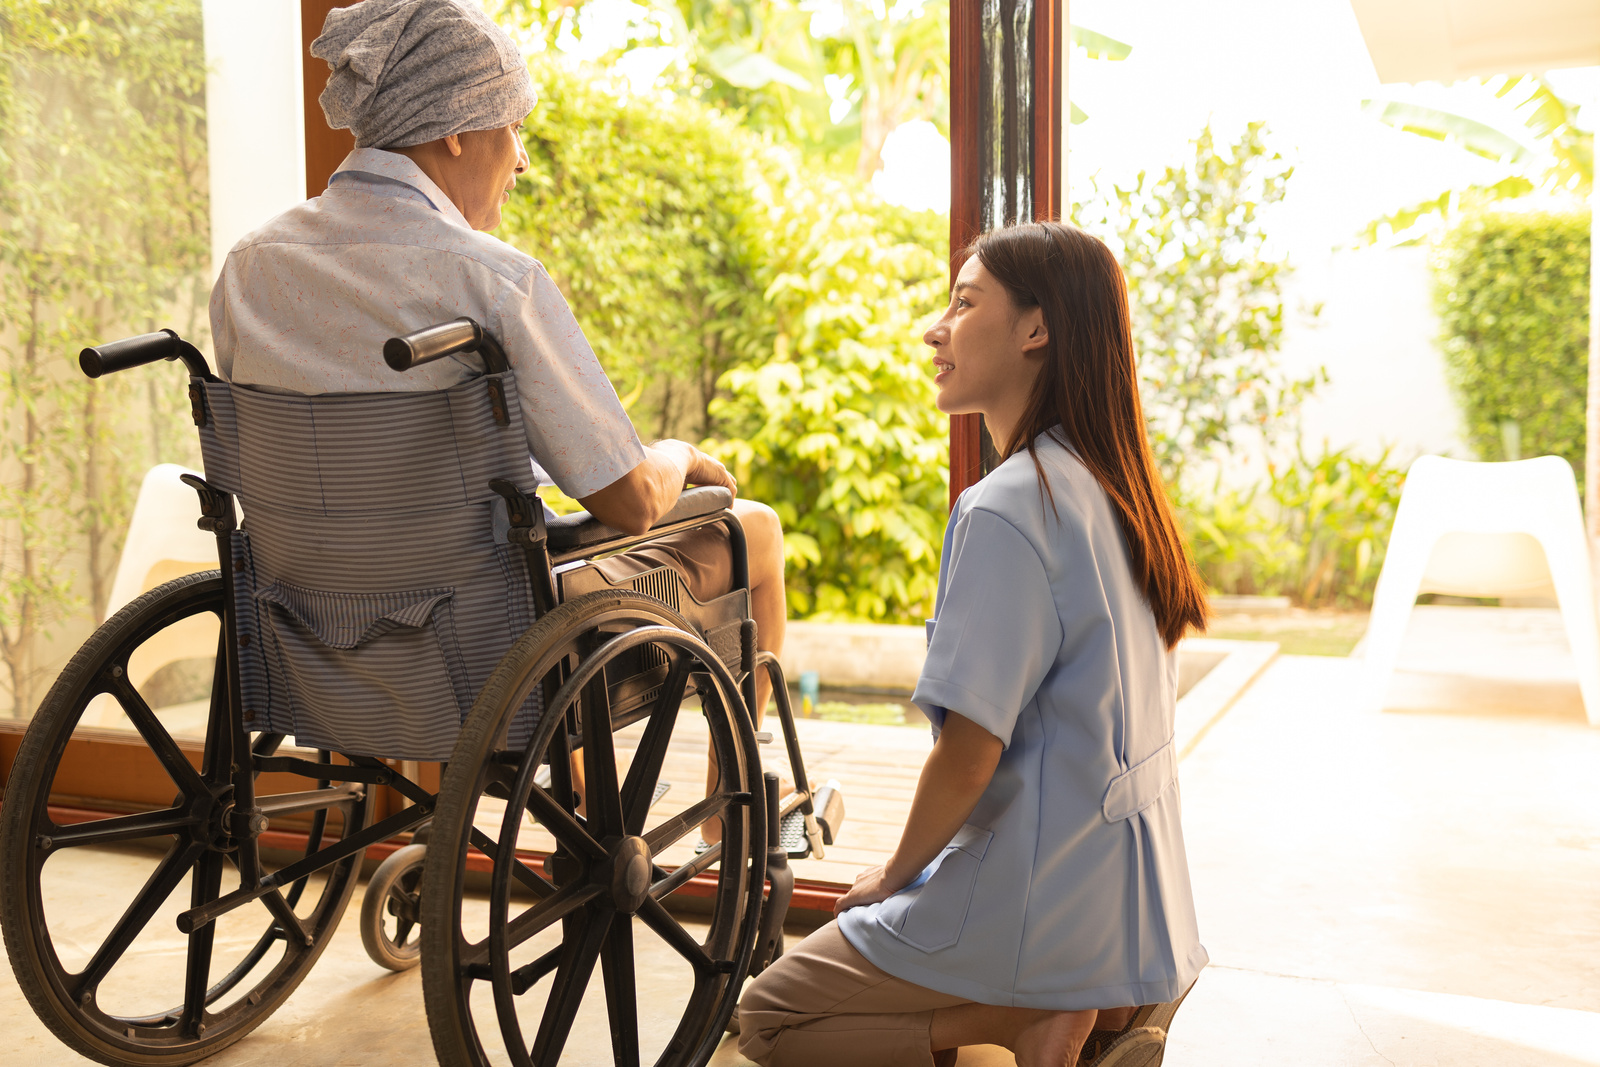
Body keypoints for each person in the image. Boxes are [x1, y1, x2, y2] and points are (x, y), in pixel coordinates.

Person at [208, 0, 786, 721]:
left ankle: (567, 799)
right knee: (752, 527)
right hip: (480, 652)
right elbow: (630, 500)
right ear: (455, 130)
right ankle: (727, 822)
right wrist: (681, 452)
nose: (521, 157)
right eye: (513, 126)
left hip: (306, 635)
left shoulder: (249, 268)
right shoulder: (491, 279)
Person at [736, 220, 1210, 1067]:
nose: (935, 328)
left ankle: (1019, 1018)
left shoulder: (1008, 508)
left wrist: (890, 874)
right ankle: (1096, 1006)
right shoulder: (1118, 488)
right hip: (1140, 907)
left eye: (963, 302)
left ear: (1036, 328)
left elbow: (968, 755)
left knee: (768, 1017)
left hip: (1039, 898)